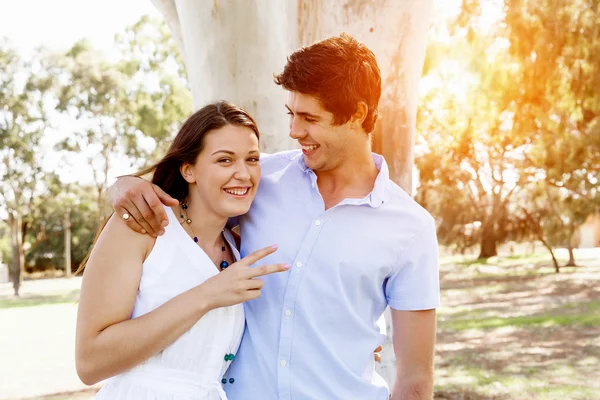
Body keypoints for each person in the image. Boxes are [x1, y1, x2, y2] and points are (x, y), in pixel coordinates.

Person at [110, 34, 440, 399]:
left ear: (357, 114)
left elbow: (414, 379)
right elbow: (190, 187)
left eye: (309, 118)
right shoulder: (257, 180)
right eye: (292, 114)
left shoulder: (412, 229)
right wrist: (122, 184)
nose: (294, 131)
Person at [75, 101, 290, 400]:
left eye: (252, 159)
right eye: (225, 160)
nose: (243, 173)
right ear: (188, 170)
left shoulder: (240, 247)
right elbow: (89, 362)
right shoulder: (141, 228)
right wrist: (207, 294)